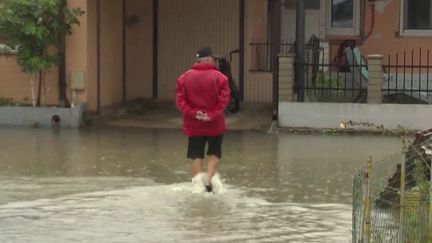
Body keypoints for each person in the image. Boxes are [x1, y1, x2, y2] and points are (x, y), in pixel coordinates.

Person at [175, 47, 231, 193]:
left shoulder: (184, 77)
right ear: (208, 60)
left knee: (195, 154)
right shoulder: (220, 78)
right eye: (213, 58)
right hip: (215, 124)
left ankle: (198, 184)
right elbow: (224, 100)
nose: (214, 61)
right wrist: (211, 115)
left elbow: (180, 100)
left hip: (194, 124)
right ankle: (208, 179)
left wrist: (194, 113)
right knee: (214, 153)